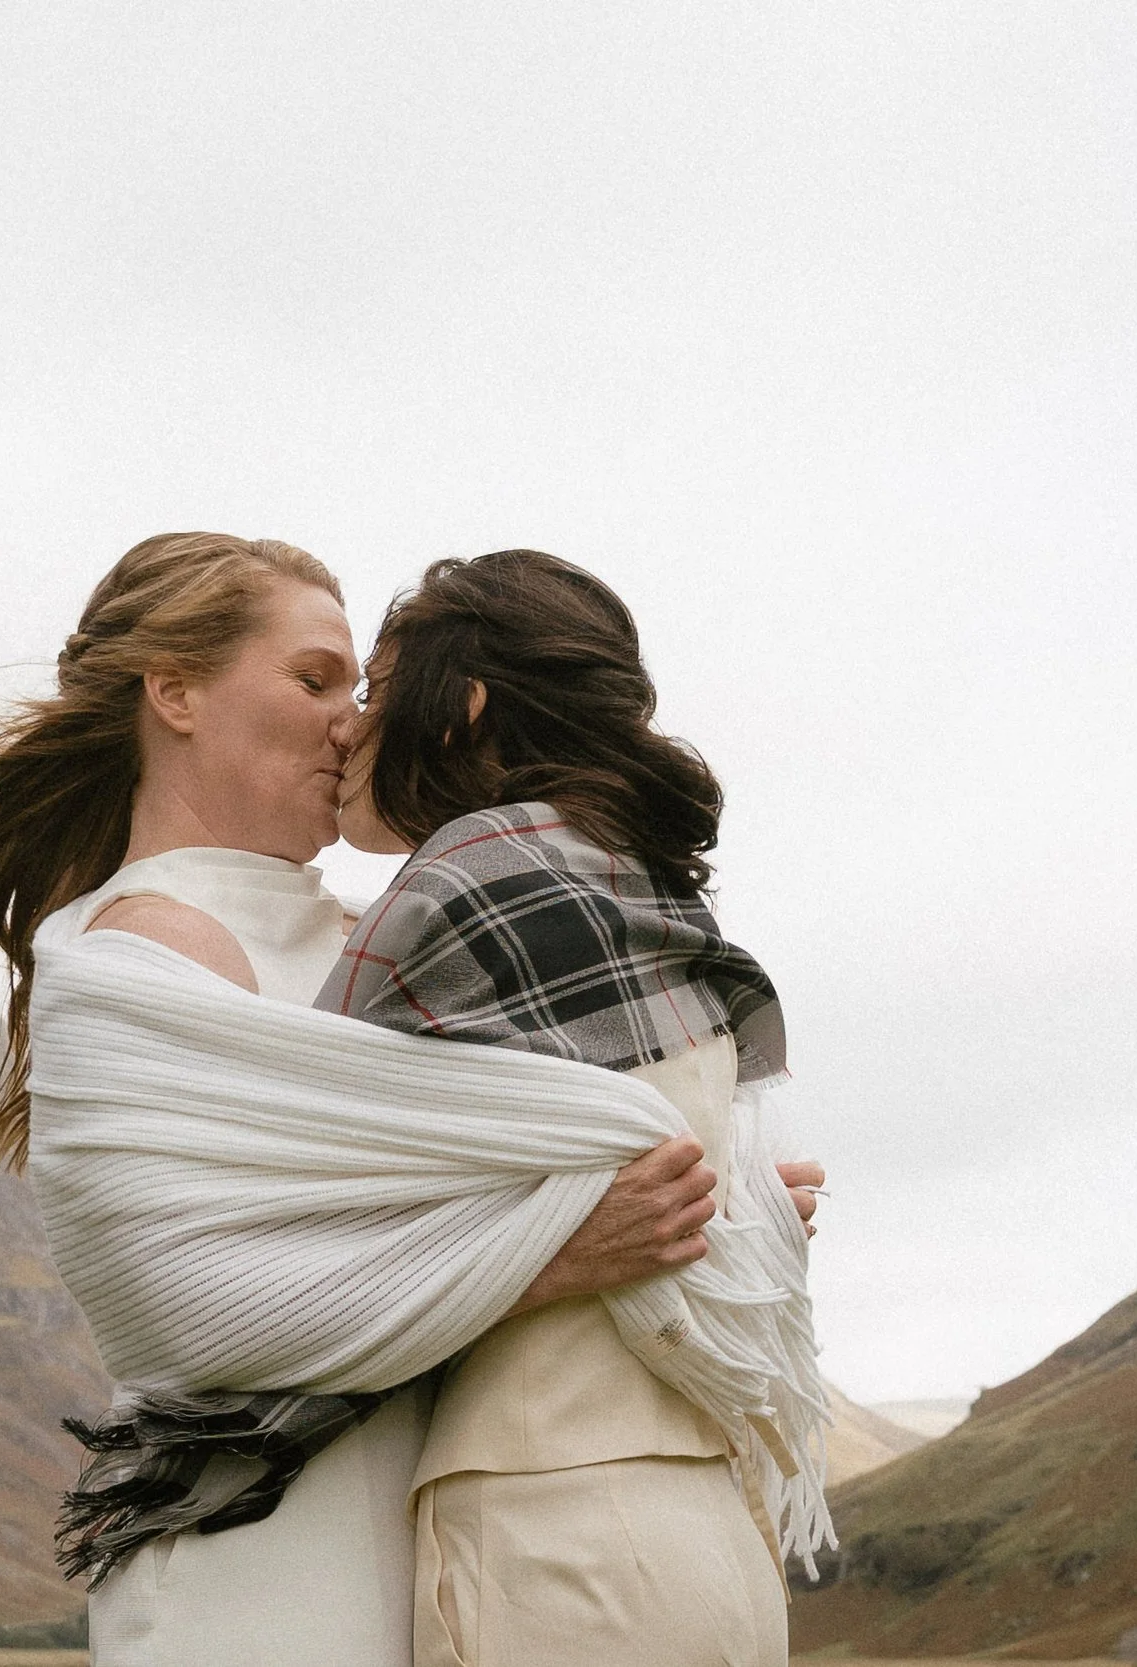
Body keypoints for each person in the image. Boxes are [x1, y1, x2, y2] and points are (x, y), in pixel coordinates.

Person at [0, 532, 823, 1667]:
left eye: (357, 690)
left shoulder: (394, 933)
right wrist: (558, 1253)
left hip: (451, 1542)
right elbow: (184, 1308)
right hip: (255, 1557)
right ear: (174, 690)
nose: (350, 721)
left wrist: (730, 1217)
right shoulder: (130, 954)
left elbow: (593, 1162)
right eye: (311, 680)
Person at [325, 548, 814, 1667]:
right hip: (711, 1526)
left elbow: (300, 1212)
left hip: (553, 1529)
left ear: (466, 705)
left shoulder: (468, 875)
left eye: (374, 686)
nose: (349, 727)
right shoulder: (637, 881)